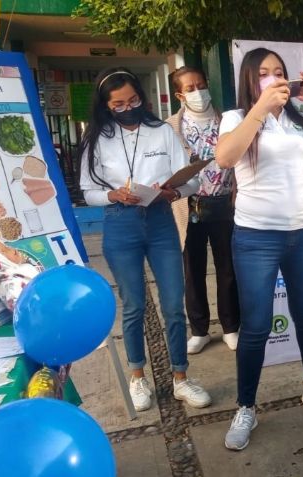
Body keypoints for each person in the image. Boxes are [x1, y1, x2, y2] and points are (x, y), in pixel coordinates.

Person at [215, 48, 303, 451]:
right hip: (255, 237)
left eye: (279, 72)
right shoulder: (236, 117)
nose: (274, 79)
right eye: (263, 73)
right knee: (256, 326)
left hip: (302, 235)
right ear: (250, 81)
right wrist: (260, 109)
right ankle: (246, 407)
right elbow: (225, 157)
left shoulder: (300, 122)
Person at [79, 67, 212, 412]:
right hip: (120, 223)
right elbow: (88, 192)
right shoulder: (97, 138)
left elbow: (192, 182)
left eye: (134, 100)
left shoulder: (161, 132)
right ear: (106, 106)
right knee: (134, 304)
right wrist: (113, 195)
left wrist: (173, 191)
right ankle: (138, 376)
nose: (128, 108)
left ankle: (181, 377)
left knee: (173, 304)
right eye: (119, 105)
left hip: (160, 221)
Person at [166, 66, 239, 354]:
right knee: (192, 271)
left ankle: (231, 327)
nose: (198, 92)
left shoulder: (229, 120)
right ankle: (199, 330)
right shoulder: (170, 127)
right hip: (189, 206)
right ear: (180, 95)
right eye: (190, 88)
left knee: (228, 268)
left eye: (201, 85)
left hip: (225, 204)